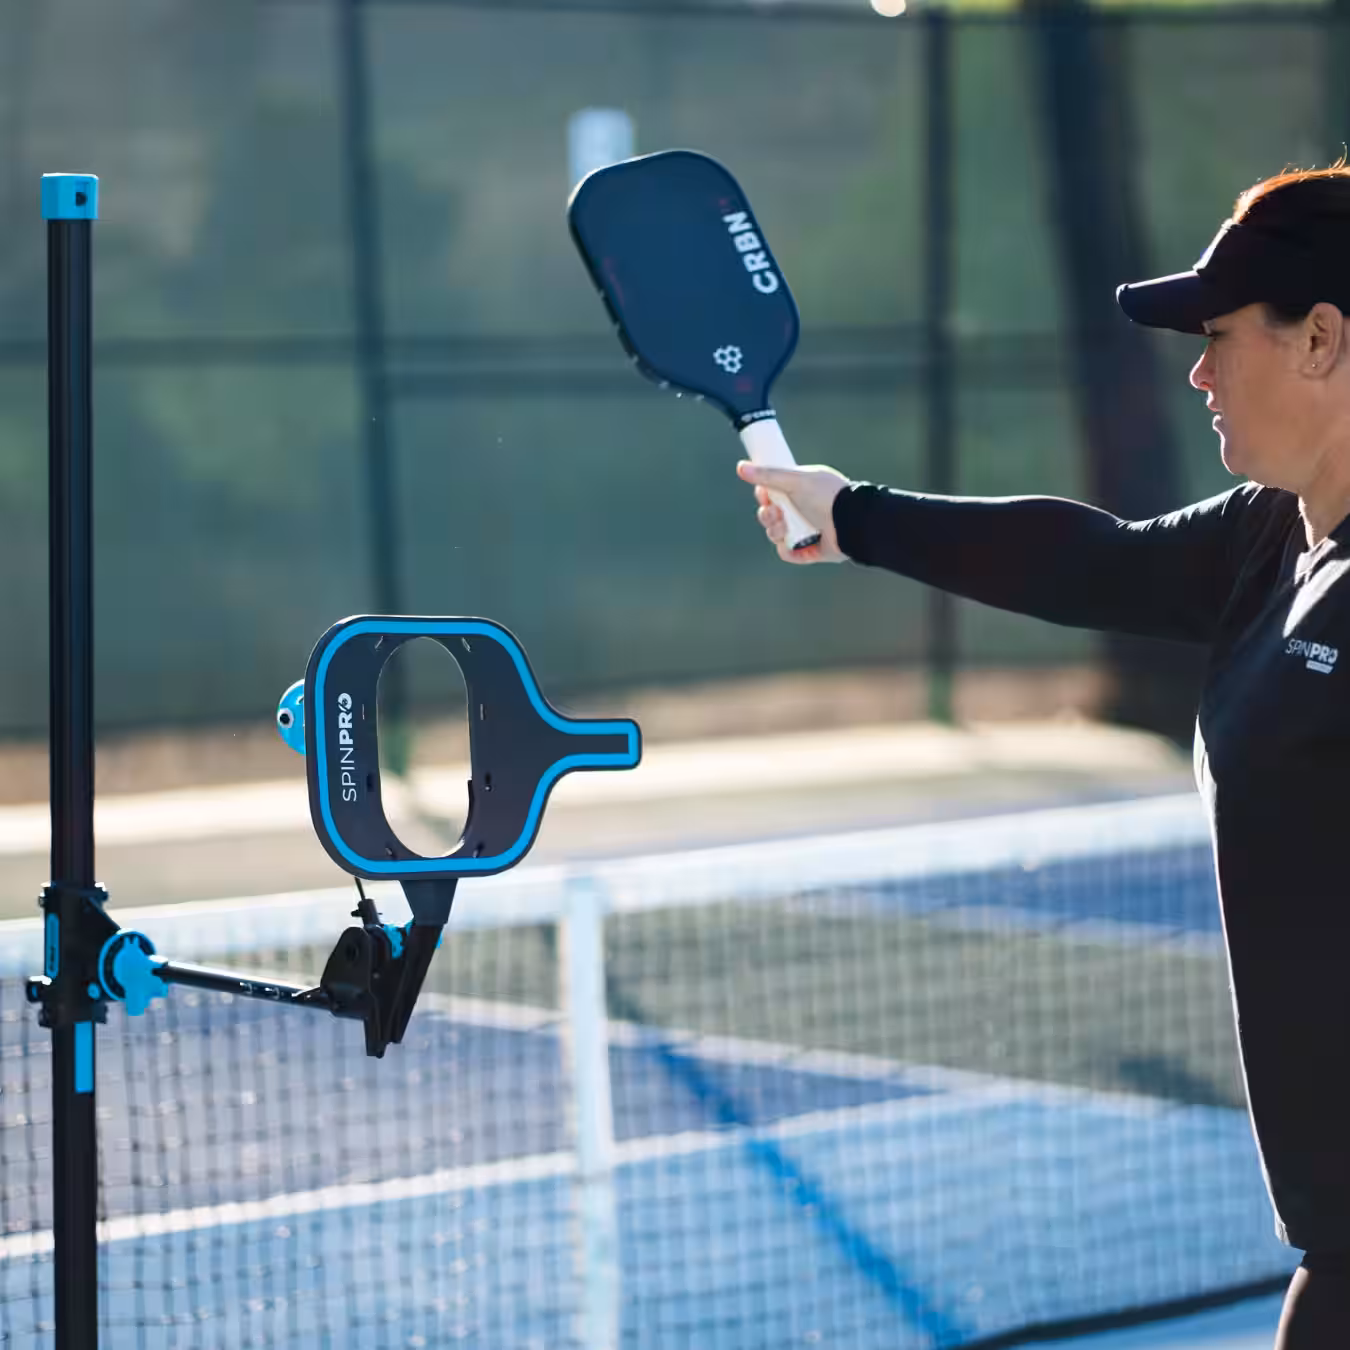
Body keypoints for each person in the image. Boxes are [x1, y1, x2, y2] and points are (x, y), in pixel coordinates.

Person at [737, 165, 1350, 1350]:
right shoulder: (1278, 532)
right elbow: (1095, 562)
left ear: (1321, 339)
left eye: (1219, 337)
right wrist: (853, 514)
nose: (1199, 370)